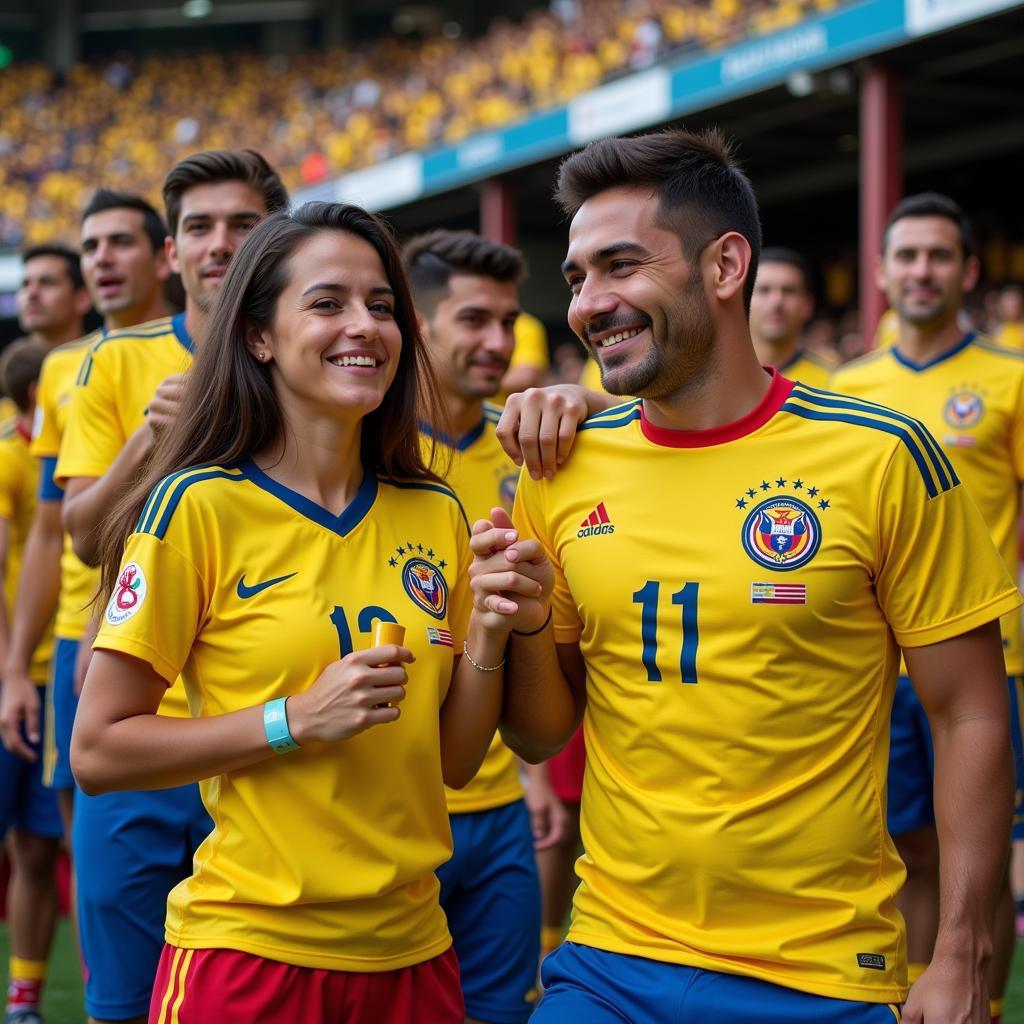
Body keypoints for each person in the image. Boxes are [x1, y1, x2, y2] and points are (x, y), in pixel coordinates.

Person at [474, 128, 1019, 1022]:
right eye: (576, 279)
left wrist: (962, 946)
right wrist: (515, 622)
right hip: (610, 960)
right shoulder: (561, 469)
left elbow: (969, 710)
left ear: (726, 266)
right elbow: (540, 734)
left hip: (820, 975)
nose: (588, 303)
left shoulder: (881, 458)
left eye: (619, 267)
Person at [72, 201, 526, 1023]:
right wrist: (293, 720)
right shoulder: (198, 506)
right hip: (249, 958)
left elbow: (452, 764)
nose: (365, 326)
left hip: (415, 961)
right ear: (258, 336)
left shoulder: (436, 514)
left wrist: (489, 630)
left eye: (382, 306)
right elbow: (99, 750)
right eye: (328, 303)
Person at [54, 153, 288, 1024]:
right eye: (198, 226)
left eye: (242, 224)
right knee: (123, 987)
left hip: (269, 718)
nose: (220, 244)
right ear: (171, 251)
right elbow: (81, 536)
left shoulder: (309, 359)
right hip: (143, 714)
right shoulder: (119, 362)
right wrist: (151, 442)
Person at [832, 192, 1024, 1024]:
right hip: (881, 666)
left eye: (939, 256)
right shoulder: (848, 388)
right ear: (879, 273)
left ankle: (979, 999)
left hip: (990, 657)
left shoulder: (1011, 379)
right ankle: (916, 999)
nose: (921, 271)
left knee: (978, 856)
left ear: (968, 272)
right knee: (908, 845)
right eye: (906, 256)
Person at [405, 229, 567, 1023]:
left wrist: (535, 776)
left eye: (507, 321)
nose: (497, 342)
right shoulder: (373, 452)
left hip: (500, 808)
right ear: (417, 323)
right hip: (400, 813)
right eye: (473, 320)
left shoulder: (535, 450)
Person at [1, 191, 171, 845]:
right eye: (91, 246)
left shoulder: (213, 349)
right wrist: (17, 670)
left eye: (120, 242)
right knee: (96, 854)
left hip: (188, 625)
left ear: (165, 257)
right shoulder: (59, 372)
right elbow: (51, 531)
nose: (102, 258)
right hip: (81, 640)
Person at [0, 340, 61, 1024]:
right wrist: (8, 669)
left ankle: (23, 1000)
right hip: (17, 679)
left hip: (55, 675)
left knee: (40, 846)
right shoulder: (7, 455)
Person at [749, 246, 833, 386]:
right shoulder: (715, 380)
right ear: (744, 302)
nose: (776, 301)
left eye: (788, 291)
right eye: (764, 290)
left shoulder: (833, 382)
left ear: (807, 305)